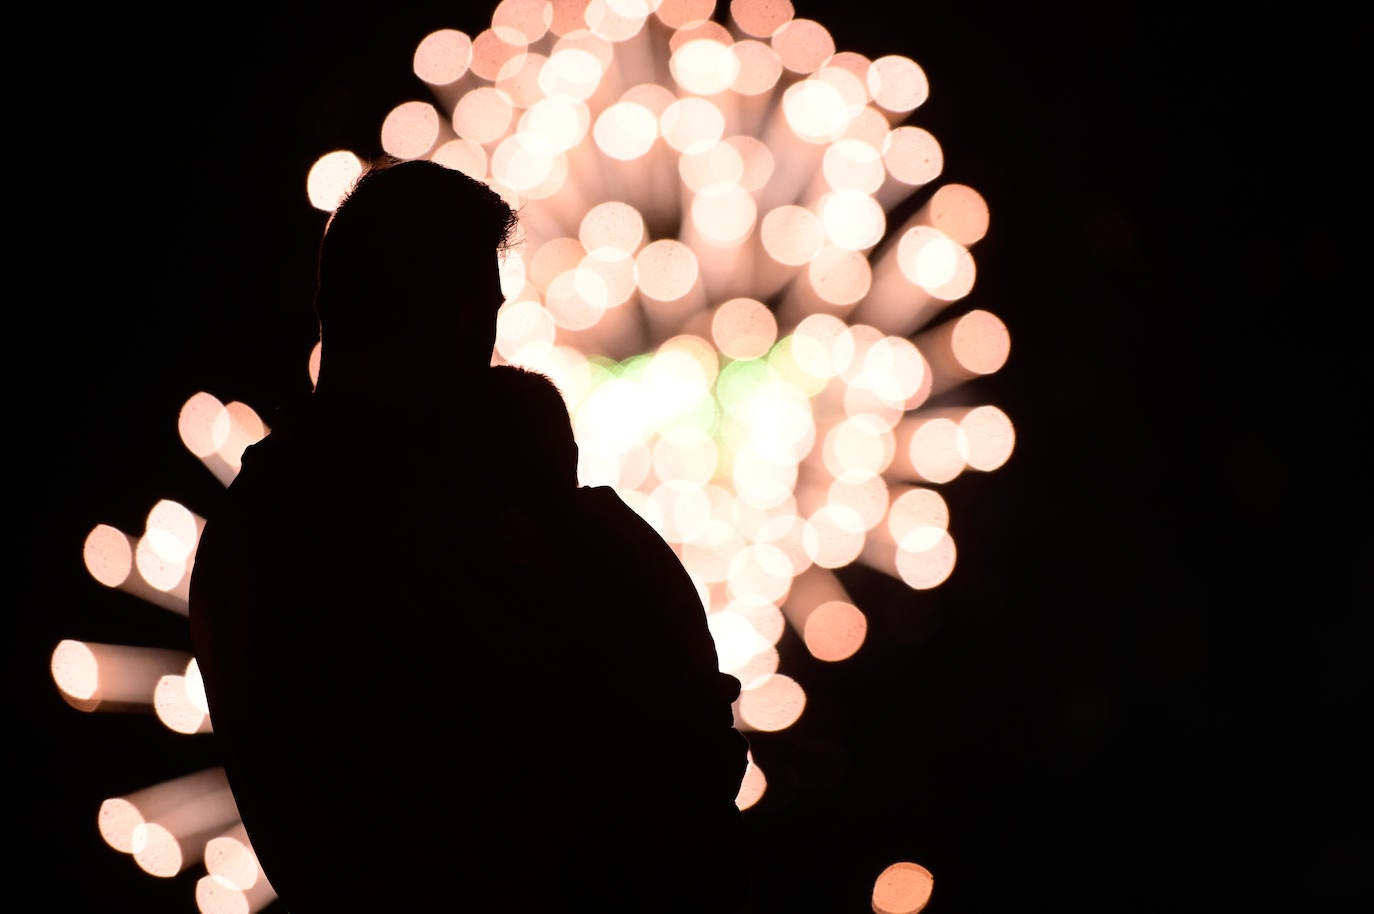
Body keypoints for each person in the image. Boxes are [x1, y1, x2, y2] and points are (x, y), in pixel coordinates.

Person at [187, 156, 750, 913]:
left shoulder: (250, 531)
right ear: (446, 314)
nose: (490, 345)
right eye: (482, 309)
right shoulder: (414, 522)